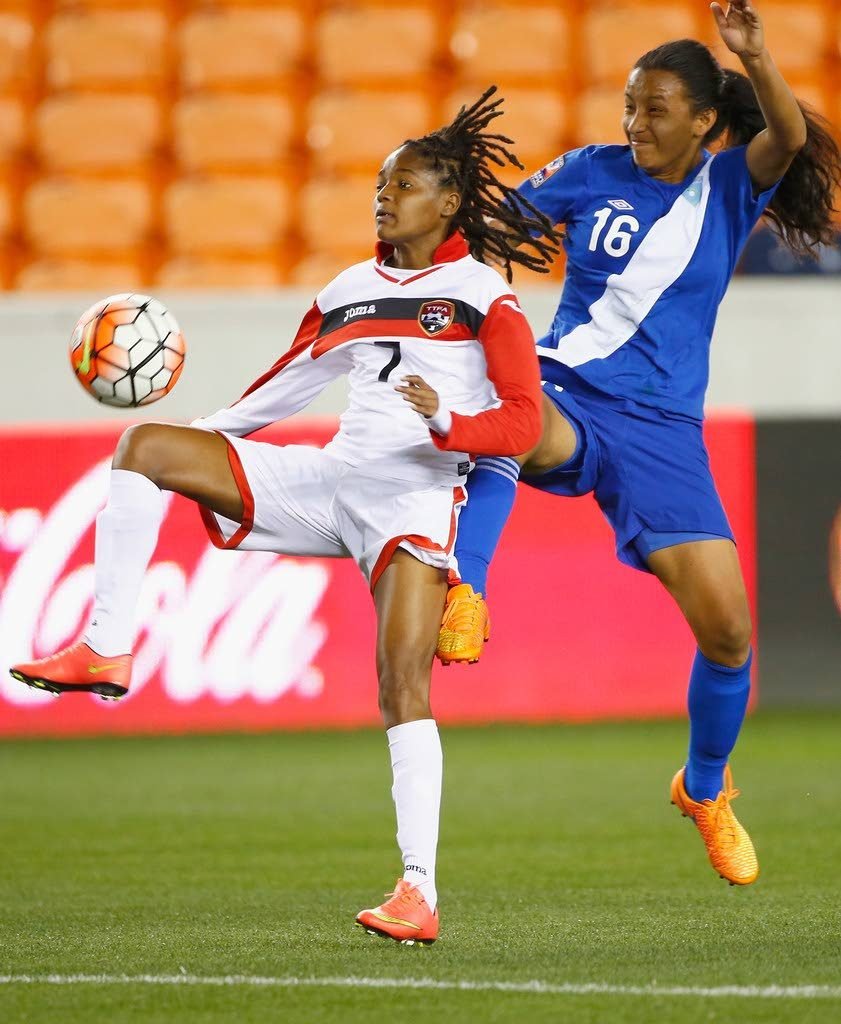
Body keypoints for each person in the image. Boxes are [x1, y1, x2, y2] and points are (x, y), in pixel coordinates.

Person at [10, 90, 559, 945]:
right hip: (329, 478)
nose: (385, 195)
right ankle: (106, 646)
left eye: (405, 183)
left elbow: (522, 422)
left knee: (400, 687)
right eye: (381, 182)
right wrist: (203, 440)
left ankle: (419, 892)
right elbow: (284, 385)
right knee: (144, 447)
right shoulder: (348, 286)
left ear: (449, 200)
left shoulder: (482, 294)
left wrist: (447, 425)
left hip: (412, 498)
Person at [437, 2, 841, 887]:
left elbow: (787, 130)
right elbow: (487, 231)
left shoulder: (732, 185)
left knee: (729, 633)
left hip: (662, 432)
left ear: (703, 120)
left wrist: (757, 51)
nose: (636, 123)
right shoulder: (589, 171)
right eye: (630, 105)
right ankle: (463, 587)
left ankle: (703, 788)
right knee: (510, 420)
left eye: (656, 109)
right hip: (567, 388)